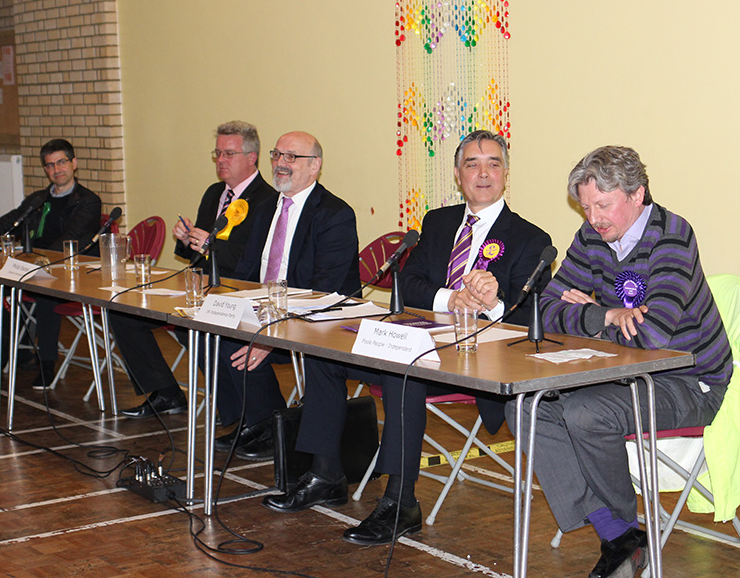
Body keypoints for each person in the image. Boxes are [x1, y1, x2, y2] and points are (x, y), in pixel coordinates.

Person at [261, 130, 552, 546]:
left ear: (506, 173)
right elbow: (408, 283)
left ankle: (401, 503)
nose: (483, 173)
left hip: (477, 354)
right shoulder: (438, 222)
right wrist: (453, 298)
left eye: (492, 164)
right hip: (421, 336)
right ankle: (326, 473)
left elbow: (527, 314)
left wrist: (490, 303)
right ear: (457, 174)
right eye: (472, 164)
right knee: (325, 351)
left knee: (402, 373)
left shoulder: (530, 238)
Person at [507, 146, 731, 578]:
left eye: (603, 205)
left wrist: (592, 316)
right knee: (524, 406)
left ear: (637, 194)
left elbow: (652, 334)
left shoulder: (673, 235)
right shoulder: (592, 237)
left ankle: (621, 535)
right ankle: (621, 535)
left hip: (689, 381)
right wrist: (605, 314)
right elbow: (548, 311)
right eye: (586, 206)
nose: (593, 218)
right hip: (620, 373)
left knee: (586, 412)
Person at [113, 121, 277, 419]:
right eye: (217, 154)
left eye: (229, 154)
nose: (221, 161)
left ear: (252, 157)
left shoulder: (267, 199)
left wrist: (209, 246)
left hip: (238, 289)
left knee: (198, 331)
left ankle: (241, 416)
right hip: (199, 285)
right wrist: (187, 238)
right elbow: (196, 253)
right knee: (123, 312)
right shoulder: (215, 193)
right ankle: (165, 391)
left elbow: (248, 261)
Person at [214, 130, 360, 461]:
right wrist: (222, 305)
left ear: (315, 166)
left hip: (318, 321)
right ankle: (264, 423)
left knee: (248, 343)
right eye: (277, 155)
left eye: (292, 157)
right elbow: (247, 271)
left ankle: (273, 428)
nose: (281, 163)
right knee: (220, 335)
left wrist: (273, 333)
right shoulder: (265, 209)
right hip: (267, 309)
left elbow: (324, 292)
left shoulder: (335, 214)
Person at [0, 139, 102, 388]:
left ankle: (46, 364)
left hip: (73, 271)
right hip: (35, 267)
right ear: (45, 170)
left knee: (46, 293)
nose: (56, 170)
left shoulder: (88, 201)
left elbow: (71, 239)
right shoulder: (37, 200)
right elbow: (1, 227)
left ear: (74, 163)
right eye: (50, 165)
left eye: (61, 162)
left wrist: (36, 261)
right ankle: (14, 346)